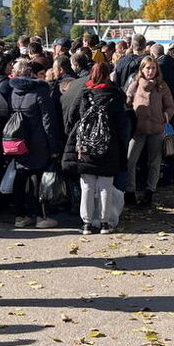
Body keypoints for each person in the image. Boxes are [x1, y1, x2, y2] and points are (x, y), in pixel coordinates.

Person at [63, 61, 129, 234]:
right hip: (109, 145)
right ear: (109, 74)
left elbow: (71, 117)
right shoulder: (115, 94)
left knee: (87, 186)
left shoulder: (84, 92)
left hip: (86, 146)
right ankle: (104, 223)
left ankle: (87, 223)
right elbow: (123, 124)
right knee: (106, 186)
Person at [6, 58, 64, 228]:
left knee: (20, 175)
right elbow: (48, 120)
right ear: (30, 72)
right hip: (39, 141)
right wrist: (54, 146)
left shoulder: (14, 91)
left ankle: (20, 215)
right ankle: (40, 216)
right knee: (38, 177)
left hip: (18, 139)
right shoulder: (40, 90)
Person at [125, 55, 174, 208]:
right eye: (148, 68)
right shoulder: (134, 85)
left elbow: (170, 106)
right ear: (142, 69)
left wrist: (164, 117)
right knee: (130, 161)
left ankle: (149, 192)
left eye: (153, 68)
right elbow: (126, 104)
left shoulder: (162, 86)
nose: (151, 71)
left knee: (154, 162)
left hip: (156, 130)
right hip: (137, 130)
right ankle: (130, 192)